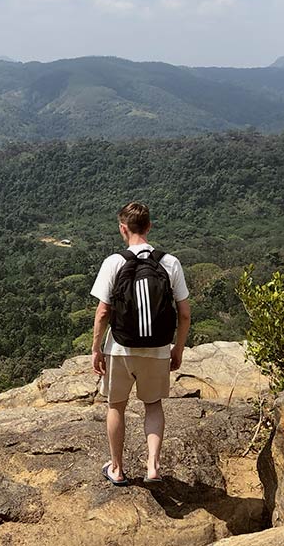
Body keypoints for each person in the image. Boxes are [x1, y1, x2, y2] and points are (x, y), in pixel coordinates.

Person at [90, 202, 190, 486]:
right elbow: (184, 313)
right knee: (153, 405)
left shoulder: (114, 262)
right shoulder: (169, 262)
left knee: (116, 406)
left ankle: (118, 469)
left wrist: (96, 349)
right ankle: (153, 467)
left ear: (123, 228)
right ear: (149, 227)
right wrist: (177, 348)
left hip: (120, 348)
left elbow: (102, 312)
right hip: (157, 348)